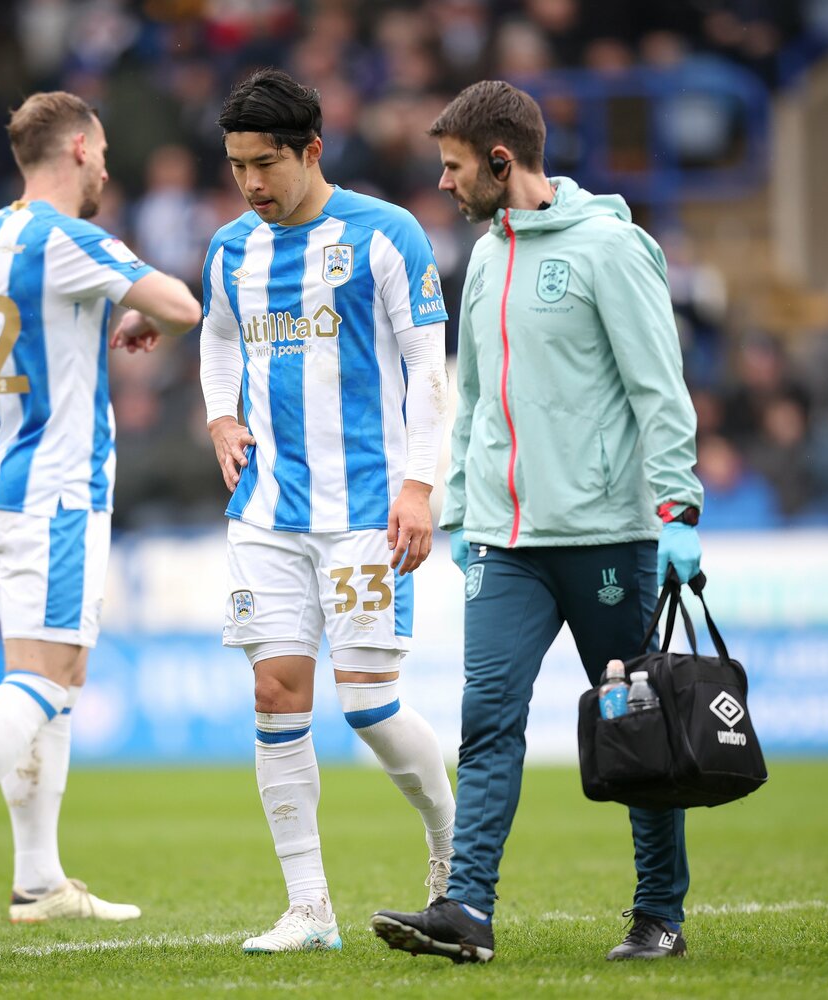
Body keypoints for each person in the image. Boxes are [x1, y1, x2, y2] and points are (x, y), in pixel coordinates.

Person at [370, 80, 705, 964]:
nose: (443, 184)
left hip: (607, 536)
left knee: (635, 729)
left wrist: (677, 510)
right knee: (487, 720)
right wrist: (468, 513)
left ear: (501, 161)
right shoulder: (485, 256)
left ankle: (658, 914)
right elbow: (474, 397)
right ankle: (468, 912)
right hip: (506, 547)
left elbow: (658, 389)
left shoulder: (613, 249)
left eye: (452, 167)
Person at [0, 91, 202, 926]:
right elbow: (183, 304)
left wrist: (108, 316)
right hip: (61, 488)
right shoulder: (69, 239)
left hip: (1, 477)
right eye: (104, 151)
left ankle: (38, 880)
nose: (109, 168)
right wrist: (143, 311)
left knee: (43, 680)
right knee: (50, 679)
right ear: (78, 148)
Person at [199, 69, 457, 954]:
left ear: (312, 150)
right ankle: (309, 909)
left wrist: (418, 486)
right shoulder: (231, 247)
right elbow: (218, 337)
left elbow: (429, 369)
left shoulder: (384, 235)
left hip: (363, 512)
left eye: (265, 164)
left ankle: (449, 853)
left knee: (370, 707)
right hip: (267, 511)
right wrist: (220, 413)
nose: (251, 185)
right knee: (274, 695)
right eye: (237, 166)